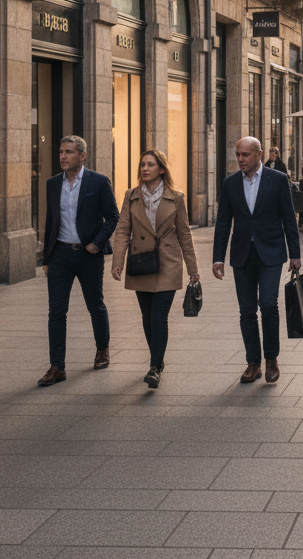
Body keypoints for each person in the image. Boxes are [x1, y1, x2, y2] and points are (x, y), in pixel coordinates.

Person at [212, 137, 301, 385]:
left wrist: (295, 253)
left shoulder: (278, 179)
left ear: (259, 154)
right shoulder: (230, 183)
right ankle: (253, 362)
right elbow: (222, 222)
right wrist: (217, 257)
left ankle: (271, 358)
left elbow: (288, 219)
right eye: (237, 154)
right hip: (242, 254)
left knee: (269, 304)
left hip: (271, 252)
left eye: (245, 155)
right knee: (247, 310)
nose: (240, 159)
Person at [111, 150, 199, 389]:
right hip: (141, 262)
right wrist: (117, 261)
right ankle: (158, 362)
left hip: (168, 262)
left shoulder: (176, 197)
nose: (145, 168)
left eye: (150, 164)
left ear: (162, 169)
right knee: (147, 317)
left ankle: (154, 366)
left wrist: (193, 268)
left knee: (159, 316)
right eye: (142, 165)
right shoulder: (131, 196)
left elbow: (184, 233)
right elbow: (122, 230)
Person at [38, 136, 119, 387]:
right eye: (61, 151)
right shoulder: (53, 184)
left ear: (82, 156)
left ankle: (102, 349)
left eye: (69, 152)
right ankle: (57, 366)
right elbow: (51, 221)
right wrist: (47, 257)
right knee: (56, 312)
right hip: (60, 253)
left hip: (88, 253)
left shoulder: (99, 181)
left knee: (95, 305)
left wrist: (97, 242)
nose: (63, 156)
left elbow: (113, 217)